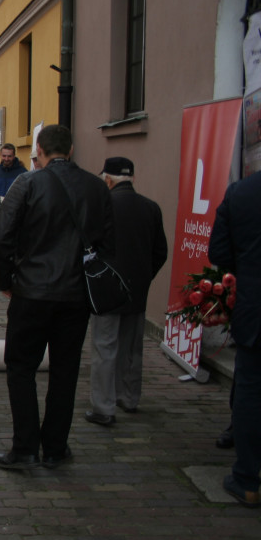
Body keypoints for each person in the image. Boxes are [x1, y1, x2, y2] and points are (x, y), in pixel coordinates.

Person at [0, 125, 114, 471]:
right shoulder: (96, 187)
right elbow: (106, 240)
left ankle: (25, 447)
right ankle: (55, 447)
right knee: (65, 371)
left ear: (38, 150)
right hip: (75, 295)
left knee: (21, 368)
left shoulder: (28, 183)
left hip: (32, 291)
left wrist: (7, 280)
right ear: (70, 150)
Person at [85, 158, 167, 426]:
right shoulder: (150, 208)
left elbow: (89, 247)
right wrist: (144, 277)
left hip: (107, 289)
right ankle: (129, 398)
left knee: (104, 348)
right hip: (138, 289)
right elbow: (160, 252)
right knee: (132, 348)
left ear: (108, 180)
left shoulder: (102, 207)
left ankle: (103, 407)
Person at [208, 170, 261, 508]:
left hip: (255, 310)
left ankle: (247, 478)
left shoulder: (242, 193)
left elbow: (219, 253)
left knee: (251, 392)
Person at [0, 143, 27, 220]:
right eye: (4, 156)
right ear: (0, 155)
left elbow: (26, 194)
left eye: (9, 156)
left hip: (15, 216)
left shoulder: (23, 173)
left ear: (14, 156)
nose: (6, 159)